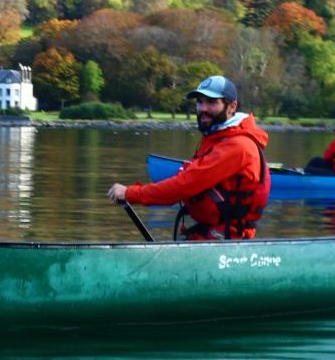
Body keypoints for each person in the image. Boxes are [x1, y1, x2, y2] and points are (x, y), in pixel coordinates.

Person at [106, 75, 271, 240]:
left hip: (229, 240)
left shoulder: (237, 146)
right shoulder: (216, 138)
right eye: (200, 102)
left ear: (232, 106)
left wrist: (130, 193)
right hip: (212, 233)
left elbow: (183, 186)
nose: (203, 108)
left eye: (212, 102)